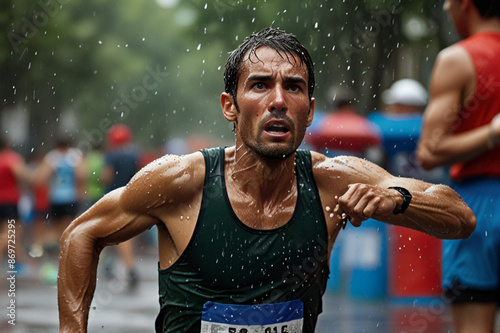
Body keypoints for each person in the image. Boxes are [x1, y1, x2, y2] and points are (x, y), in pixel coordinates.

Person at [58, 28, 476, 333]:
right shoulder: (182, 181)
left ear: (309, 111)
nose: (278, 100)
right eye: (260, 85)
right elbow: (81, 234)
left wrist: (398, 199)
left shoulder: (332, 180)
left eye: (292, 87)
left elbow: (461, 217)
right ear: (230, 106)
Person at [416, 1, 500, 332]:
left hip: (477, 213)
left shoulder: (458, 59)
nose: (447, 8)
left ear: (467, 4)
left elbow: (430, 150)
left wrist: (491, 134)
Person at [101, 124, 140, 289]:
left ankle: (130, 267)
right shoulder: (134, 155)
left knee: (112, 232)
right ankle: (110, 264)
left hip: (114, 198)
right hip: (130, 196)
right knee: (123, 232)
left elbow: (106, 177)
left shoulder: (111, 156)